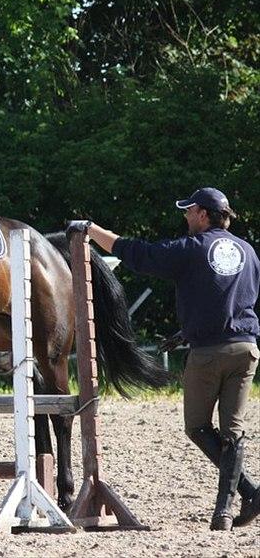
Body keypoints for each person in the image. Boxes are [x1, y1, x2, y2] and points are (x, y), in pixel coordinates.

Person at [66, 187, 260, 531]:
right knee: (233, 433)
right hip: (246, 349)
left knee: (198, 427)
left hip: (208, 355)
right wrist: (188, 331)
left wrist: (90, 230)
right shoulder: (248, 252)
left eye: (189, 211)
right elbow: (232, 298)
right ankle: (229, 509)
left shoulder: (191, 249)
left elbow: (137, 253)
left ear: (203, 214)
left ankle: (241, 497)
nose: (185, 216)